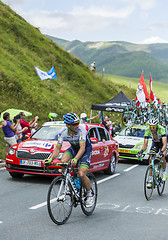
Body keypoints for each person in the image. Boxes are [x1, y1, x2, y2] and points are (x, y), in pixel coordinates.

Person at [44, 113, 93, 207]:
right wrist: (50, 159)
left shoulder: (81, 129)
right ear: (68, 125)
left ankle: (89, 193)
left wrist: (75, 159)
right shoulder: (62, 132)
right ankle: (70, 181)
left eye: (78, 122)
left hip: (86, 150)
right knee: (63, 162)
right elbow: (57, 148)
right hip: (74, 148)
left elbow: (82, 148)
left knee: (82, 173)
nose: (77, 125)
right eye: (75, 124)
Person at [138, 118, 167, 188]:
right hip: (155, 143)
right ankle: (150, 180)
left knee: (162, 156)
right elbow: (145, 144)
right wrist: (141, 151)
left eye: (153, 127)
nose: (152, 129)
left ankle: (164, 172)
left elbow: (164, 144)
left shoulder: (161, 129)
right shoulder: (148, 130)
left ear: (156, 126)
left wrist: (161, 152)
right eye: (150, 126)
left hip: (163, 143)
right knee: (151, 158)